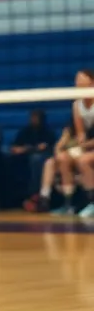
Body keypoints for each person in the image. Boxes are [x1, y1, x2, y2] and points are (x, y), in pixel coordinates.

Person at [54, 70, 94, 217]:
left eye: (81, 79)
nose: (77, 82)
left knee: (83, 160)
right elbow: (81, 132)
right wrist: (81, 143)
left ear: (91, 82)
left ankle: (92, 203)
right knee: (63, 158)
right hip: (89, 145)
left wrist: (86, 146)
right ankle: (68, 203)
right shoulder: (77, 105)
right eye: (76, 79)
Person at [11, 109, 56, 212]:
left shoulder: (48, 132)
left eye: (36, 117)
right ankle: (18, 199)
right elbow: (14, 148)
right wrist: (31, 148)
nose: (33, 120)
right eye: (32, 117)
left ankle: (36, 195)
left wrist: (28, 149)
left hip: (41, 161)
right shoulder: (24, 132)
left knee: (36, 160)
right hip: (23, 160)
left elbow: (49, 149)